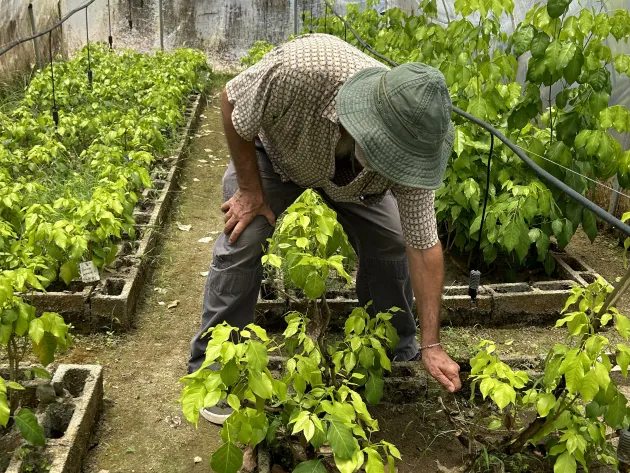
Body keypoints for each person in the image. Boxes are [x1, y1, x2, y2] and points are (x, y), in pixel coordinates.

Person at [188, 33, 462, 425]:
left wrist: (434, 342)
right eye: (389, 155)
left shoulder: (413, 148)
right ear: (366, 121)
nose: (397, 166)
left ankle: (399, 347)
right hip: (278, 152)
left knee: (392, 241)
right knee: (243, 236)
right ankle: (213, 366)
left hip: (353, 182)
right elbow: (232, 100)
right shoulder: (302, 71)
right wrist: (249, 188)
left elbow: (424, 247)